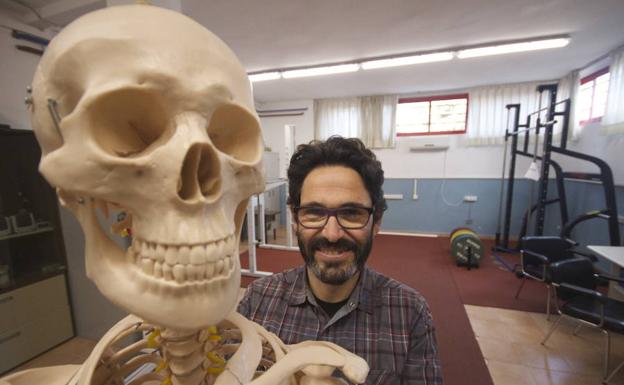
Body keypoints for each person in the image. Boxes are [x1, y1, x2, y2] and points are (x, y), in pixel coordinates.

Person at [238, 136, 442, 384]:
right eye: (314, 213)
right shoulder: (256, 302)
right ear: (295, 220)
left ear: (376, 221)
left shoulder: (410, 313)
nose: (332, 234)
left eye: (351, 213)